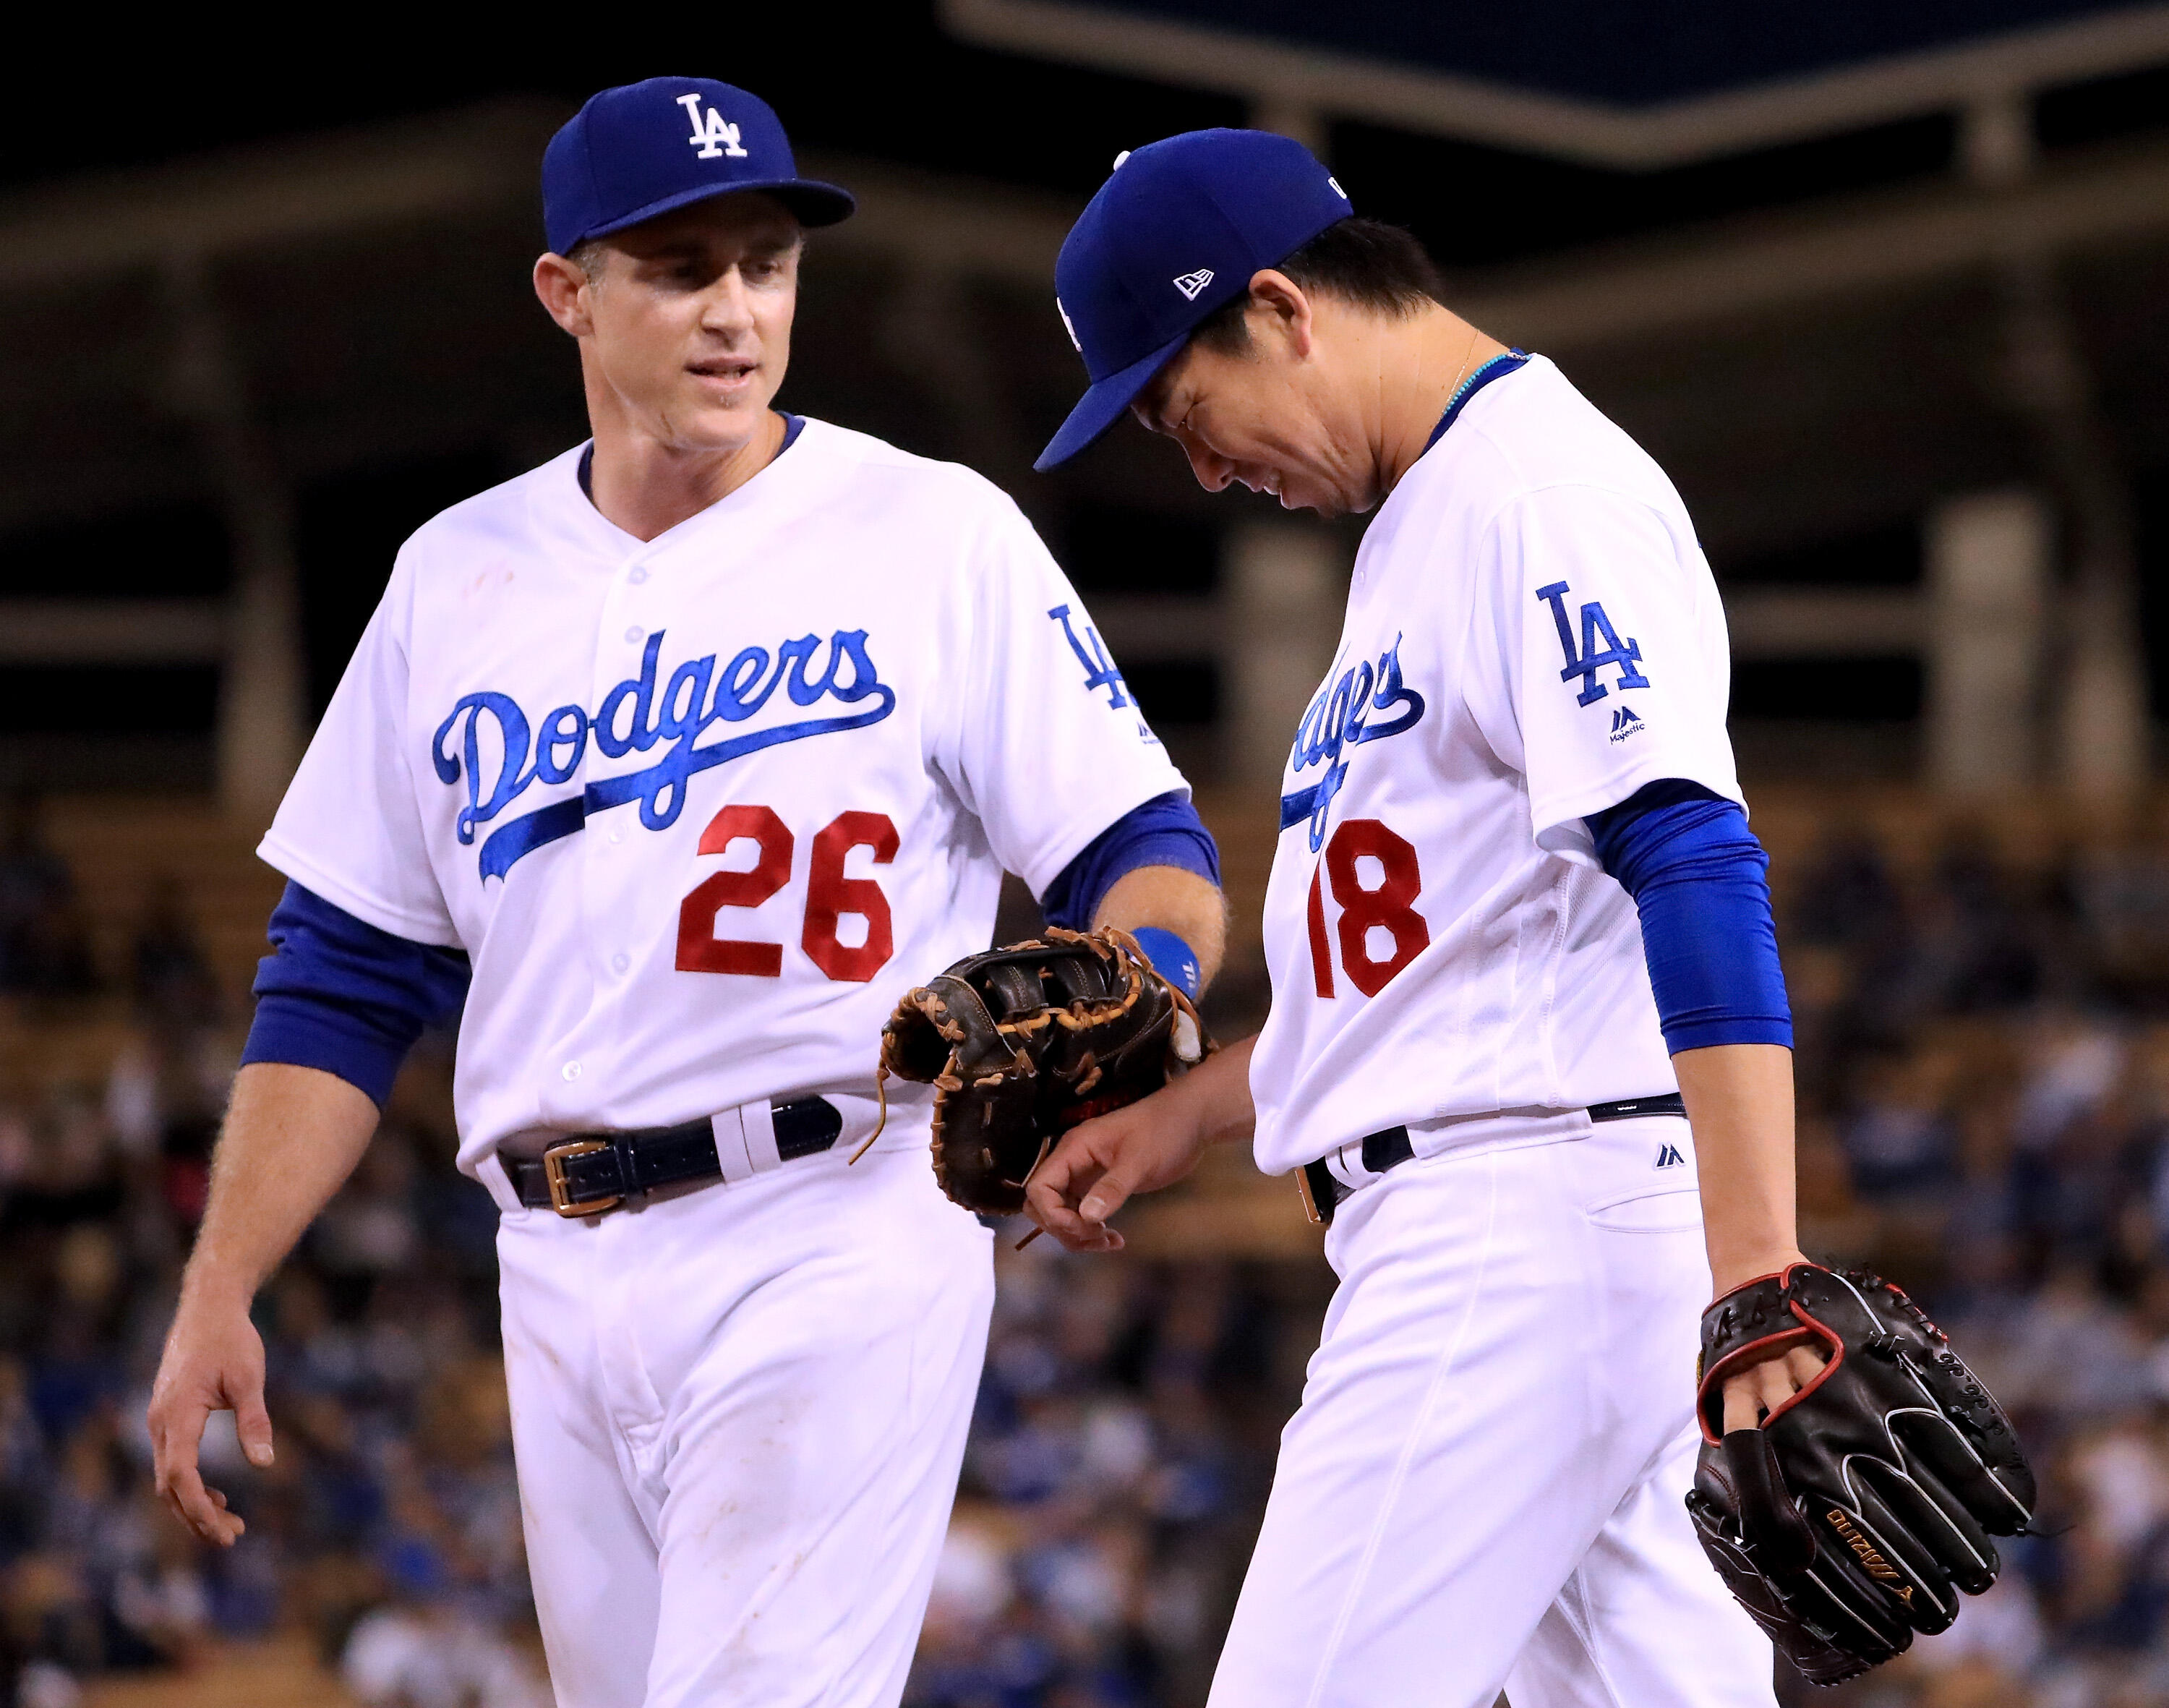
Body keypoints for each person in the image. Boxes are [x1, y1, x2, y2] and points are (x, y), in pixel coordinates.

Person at [145, 78, 1225, 1708]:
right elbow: (342, 977)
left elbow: (1150, 845)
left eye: (768, 262)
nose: (736, 309)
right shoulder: (457, 577)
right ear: (567, 292)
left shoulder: (931, 531)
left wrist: (1137, 967)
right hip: (557, 1264)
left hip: (838, 1208)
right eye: (679, 267)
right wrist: (220, 1280)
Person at [1027, 129, 1817, 1705]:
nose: (1201, 469)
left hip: (1517, 1235)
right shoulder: (1428, 524)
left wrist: (1764, 1279)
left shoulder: (1540, 493)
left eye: (1189, 409)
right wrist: (1189, 1111)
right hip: (1539, 1217)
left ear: (1282, 307)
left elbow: (1695, 858)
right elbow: (1442, 959)